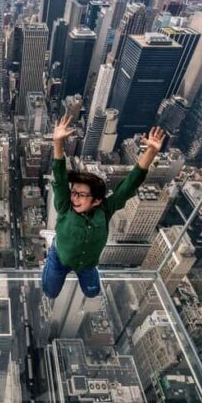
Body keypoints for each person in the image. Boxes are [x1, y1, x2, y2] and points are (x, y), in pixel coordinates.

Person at [42, 114, 166, 299]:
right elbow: (59, 180)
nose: (74, 198)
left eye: (82, 195)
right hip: (60, 258)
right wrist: (58, 143)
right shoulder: (65, 206)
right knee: (49, 292)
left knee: (92, 293)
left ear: (97, 200)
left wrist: (151, 152)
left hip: (88, 264)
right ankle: (51, 255)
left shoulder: (105, 209)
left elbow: (128, 186)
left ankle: (84, 273)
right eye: (74, 192)